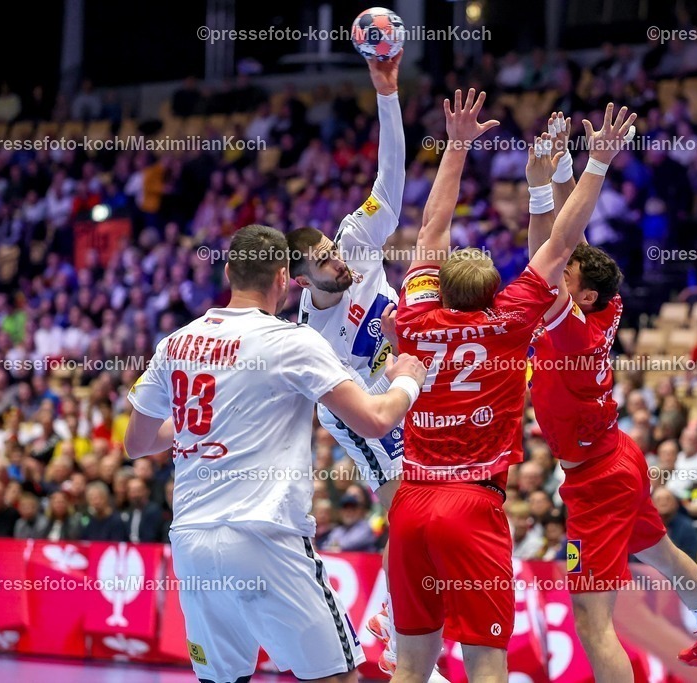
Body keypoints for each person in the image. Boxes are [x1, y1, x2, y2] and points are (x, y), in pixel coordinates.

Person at [388, 95, 633, 683]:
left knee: (412, 663)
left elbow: (432, 227)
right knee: (485, 663)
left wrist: (456, 145)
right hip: (472, 504)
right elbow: (563, 243)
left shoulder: (415, 315)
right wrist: (597, 161)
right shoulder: (511, 318)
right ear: (494, 290)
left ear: (438, 286)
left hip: (410, 501)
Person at [125, 223, 426, 683]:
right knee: (336, 676)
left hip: (191, 541)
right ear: (285, 278)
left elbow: (138, 443)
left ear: (229, 272)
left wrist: (194, 425)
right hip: (267, 534)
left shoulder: (175, 342)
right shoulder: (293, 341)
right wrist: (407, 376)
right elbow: (375, 419)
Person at [527, 110, 697, 673]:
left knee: (592, 622)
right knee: (664, 555)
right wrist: (566, 167)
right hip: (618, 456)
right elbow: (569, 244)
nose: (559, 271)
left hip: (596, 482)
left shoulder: (571, 328)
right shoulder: (606, 303)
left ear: (583, 297)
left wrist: (541, 187)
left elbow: (543, 256)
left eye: (568, 278)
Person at [283, 55, 432, 678]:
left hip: (405, 379)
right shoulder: (309, 339)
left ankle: (391, 622)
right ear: (300, 281)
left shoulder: (355, 242)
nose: (337, 262)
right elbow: (355, 411)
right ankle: (395, 631)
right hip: (361, 410)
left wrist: (387, 94)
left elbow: (390, 178)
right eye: (323, 263)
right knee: (408, 508)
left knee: (433, 507)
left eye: (331, 252)